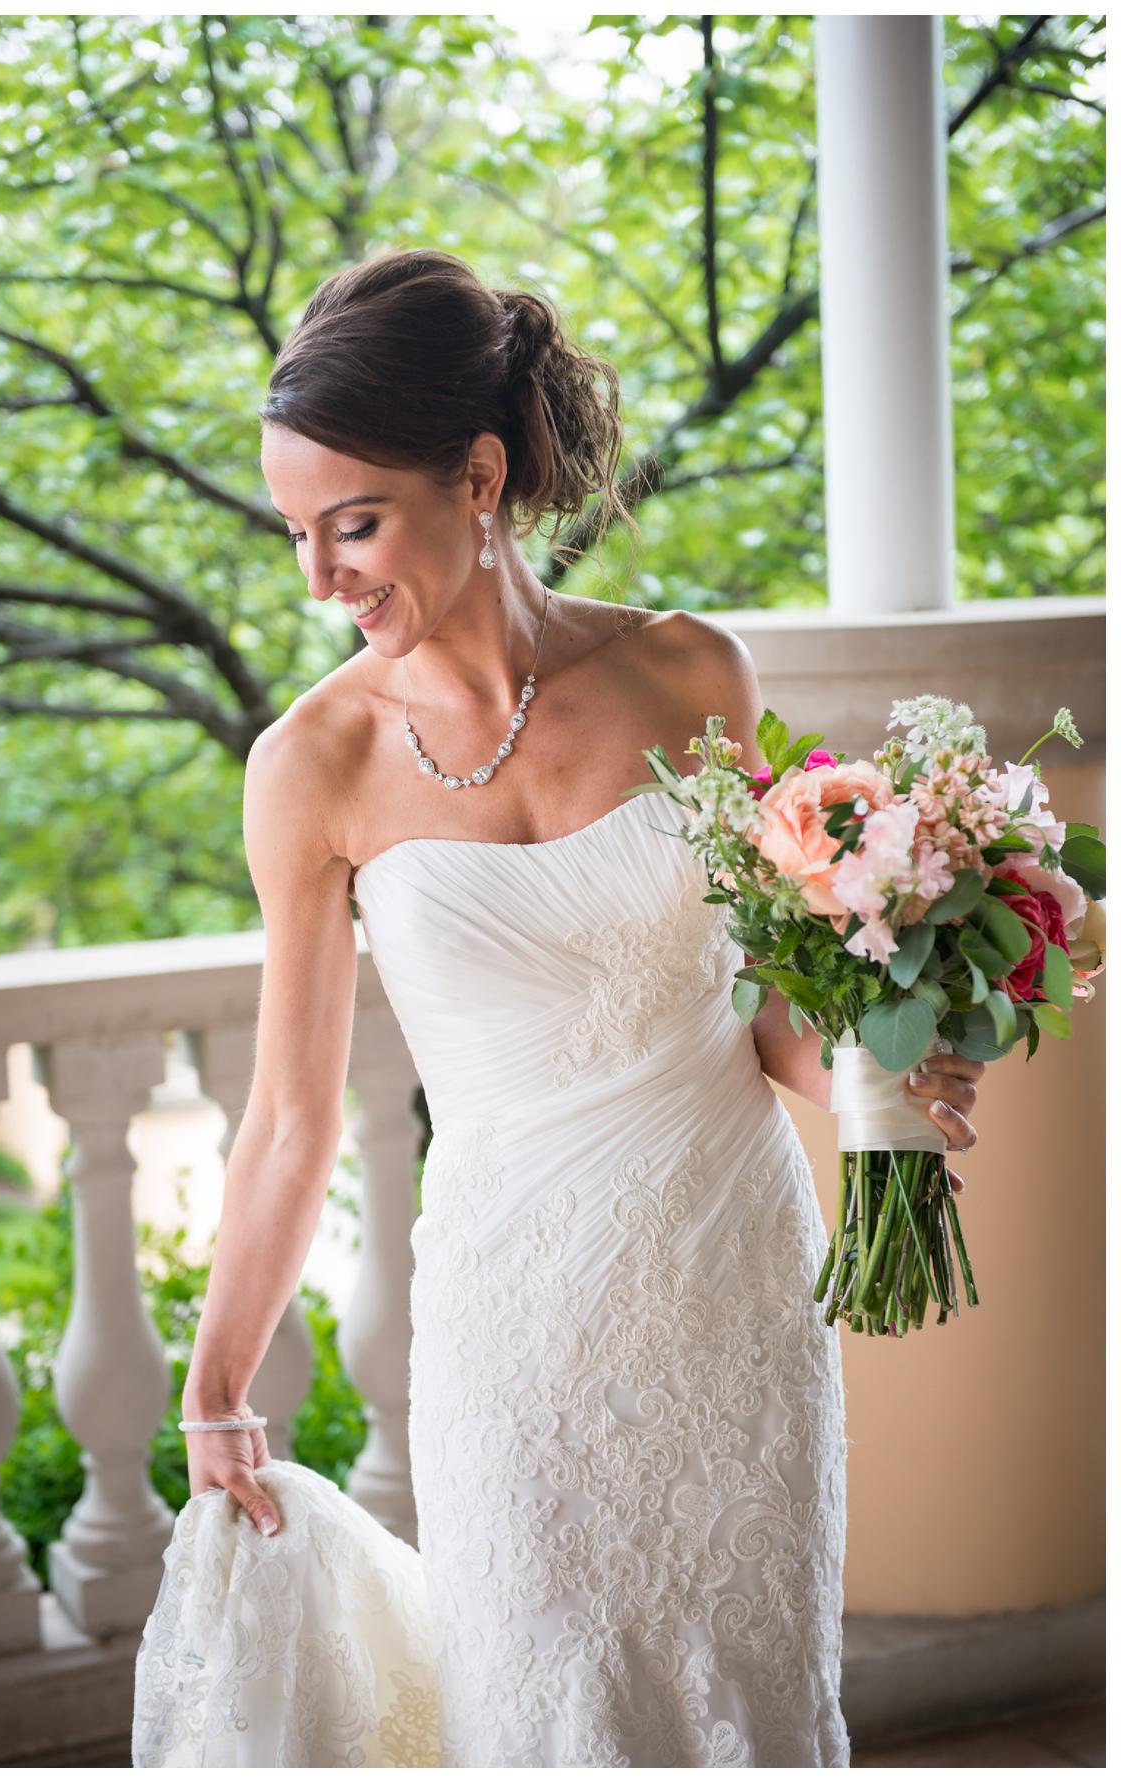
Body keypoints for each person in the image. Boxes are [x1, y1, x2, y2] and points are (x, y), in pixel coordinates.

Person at [131, 251, 988, 1767]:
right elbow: (288, 1117)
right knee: (550, 1701)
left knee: (753, 1686)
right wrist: (213, 1390)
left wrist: (884, 1060)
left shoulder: (688, 677)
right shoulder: (309, 766)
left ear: (480, 475)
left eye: (353, 526)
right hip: (510, 1317)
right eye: (295, 533)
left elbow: (766, 1019)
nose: (318, 578)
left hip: (735, 1285)